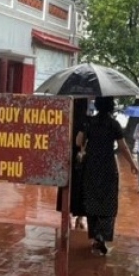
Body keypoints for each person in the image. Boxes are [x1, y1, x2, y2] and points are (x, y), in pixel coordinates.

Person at [77, 96, 137, 255]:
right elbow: (123, 147)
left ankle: (95, 237)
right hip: (108, 167)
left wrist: (83, 131)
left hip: (91, 167)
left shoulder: (89, 122)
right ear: (111, 107)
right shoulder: (114, 124)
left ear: (96, 106)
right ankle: (102, 236)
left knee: (92, 199)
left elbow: (78, 142)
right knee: (108, 202)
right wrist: (132, 164)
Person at [55, 97, 89, 229]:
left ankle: (66, 218)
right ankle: (79, 219)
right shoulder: (86, 121)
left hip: (66, 158)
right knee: (81, 188)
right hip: (80, 159)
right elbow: (81, 142)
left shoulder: (65, 118)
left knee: (65, 186)